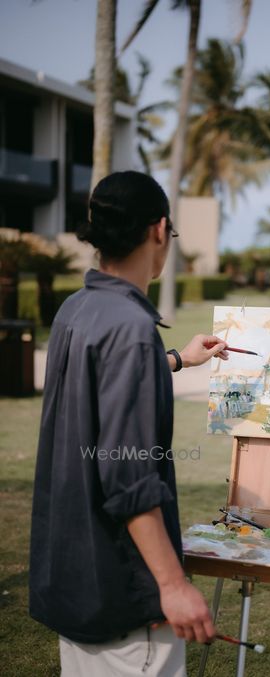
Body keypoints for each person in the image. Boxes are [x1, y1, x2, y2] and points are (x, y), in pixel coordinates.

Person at [29, 171, 229, 676]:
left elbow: (100, 389)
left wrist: (177, 360)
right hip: (122, 592)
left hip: (74, 582)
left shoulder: (77, 308)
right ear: (159, 230)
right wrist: (174, 585)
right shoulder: (131, 328)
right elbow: (129, 480)